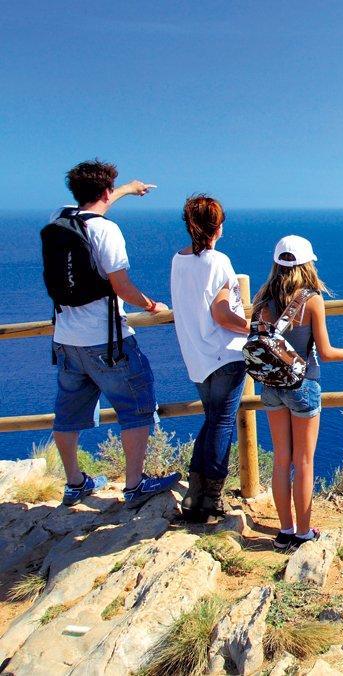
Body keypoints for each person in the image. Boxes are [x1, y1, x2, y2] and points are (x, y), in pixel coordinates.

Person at [46, 160, 180, 508]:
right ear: (105, 192)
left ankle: (75, 483)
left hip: (65, 339)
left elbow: (93, 204)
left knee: (68, 413)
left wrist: (125, 189)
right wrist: (152, 305)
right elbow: (121, 286)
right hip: (106, 341)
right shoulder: (107, 231)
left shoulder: (58, 219)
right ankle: (134, 485)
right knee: (137, 405)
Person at [251, 235, 343, 549]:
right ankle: (303, 533)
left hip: (270, 386)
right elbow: (325, 352)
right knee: (305, 461)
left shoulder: (262, 298)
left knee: (282, 460)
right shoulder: (311, 300)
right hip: (302, 386)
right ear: (306, 264)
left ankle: (284, 532)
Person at [169, 195, 251, 522]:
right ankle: (212, 499)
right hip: (227, 354)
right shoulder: (218, 262)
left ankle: (194, 495)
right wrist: (253, 327)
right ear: (217, 226)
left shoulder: (178, 260)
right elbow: (221, 313)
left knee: (211, 419)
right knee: (221, 423)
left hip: (197, 357)